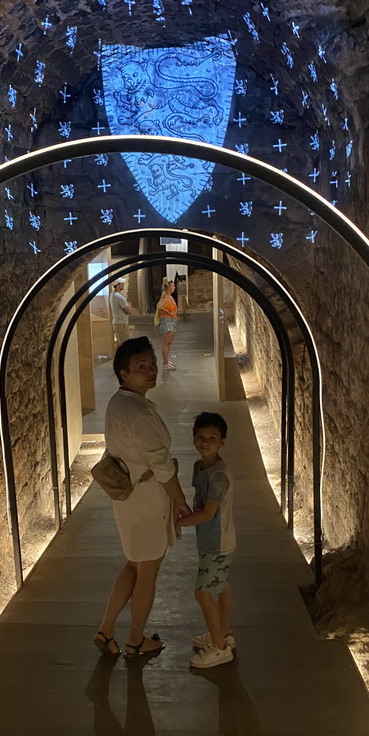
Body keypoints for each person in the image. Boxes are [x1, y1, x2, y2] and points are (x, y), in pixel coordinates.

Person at [94, 337, 191, 658]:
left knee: (134, 565)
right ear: (124, 373)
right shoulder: (139, 413)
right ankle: (136, 641)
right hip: (147, 501)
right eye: (141, 367)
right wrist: (180, 502)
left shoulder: (118, 403)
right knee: (147, 573)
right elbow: (162, 468)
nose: (151, 371)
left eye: (152, 364)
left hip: (127, 499)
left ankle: (106, 629)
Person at [175, 411, 236, 669]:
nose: (205, 442)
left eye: (212, 437)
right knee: (221, 586)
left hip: (217, 543)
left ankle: (220, 648)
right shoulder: (199, 467)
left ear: (222, 441)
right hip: (209, 540)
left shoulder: (219, 476)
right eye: (200, 437)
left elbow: (209, 512)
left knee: (202, 593)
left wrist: (179, 522)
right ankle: (222, 634)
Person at [155, 277, 178, 370]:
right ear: (168, 287)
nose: (174, 287)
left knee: (169, 342)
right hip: (167, 320)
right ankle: (165, 363)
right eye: (172, 286)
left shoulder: (170, 296)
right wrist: (168, 312)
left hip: (171, 320)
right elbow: (159, 306)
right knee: (166, 342)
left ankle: (167, 361)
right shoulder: (164, 296)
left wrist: (174, 313)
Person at [109, 279, 133, 345]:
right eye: (122, 283)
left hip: (117, 322)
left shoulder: (113, 294)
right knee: (124, 344)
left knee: (120, 343)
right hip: (122, 323)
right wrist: (130, 309)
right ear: (118, 285)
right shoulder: (119, 297)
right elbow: (128, 310)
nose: (124, 284)